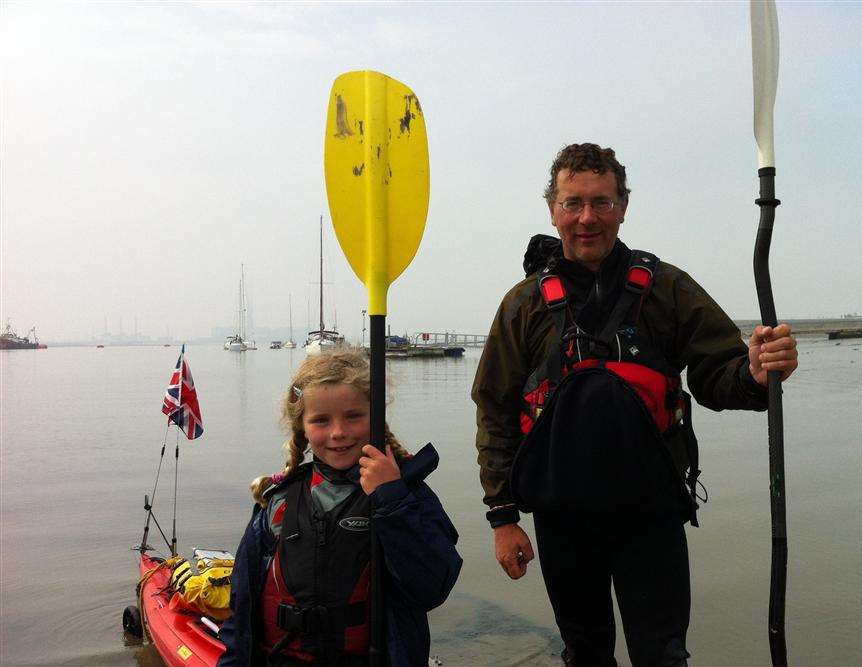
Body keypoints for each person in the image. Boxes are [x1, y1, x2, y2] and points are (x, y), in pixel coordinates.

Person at [471, 143, 799, 667]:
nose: (586, 218)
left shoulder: (667, 288)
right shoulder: (523, 303)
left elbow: (719, 375)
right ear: (552, 209)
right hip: (562, 520)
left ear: (623, 206)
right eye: (573, 203)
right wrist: (503, 517)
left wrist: (757, 373)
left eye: (601, 202)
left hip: (652, 516)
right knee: (585, 653)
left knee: (664, 656)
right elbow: (495, 408)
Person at [220, 350, 462, 666]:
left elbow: (432, 588)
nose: (338, 432)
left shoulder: (405, 495)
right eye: (321, 420)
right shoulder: (277, 503)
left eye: (353, 416)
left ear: (375, 416)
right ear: (302, 427)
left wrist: (392, 498)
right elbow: (240, 613)